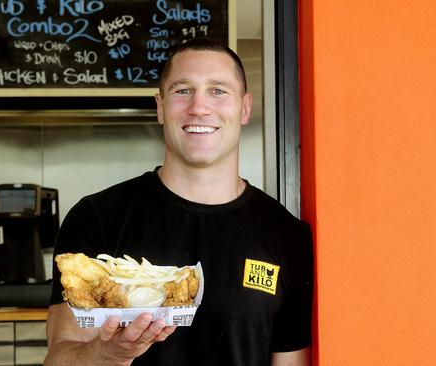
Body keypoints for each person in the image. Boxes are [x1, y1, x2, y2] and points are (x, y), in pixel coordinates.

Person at [44, 38, 314, 366]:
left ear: (244, 108)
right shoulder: (96, 217)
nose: (199, 107)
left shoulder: (287, 234)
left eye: (218, 90)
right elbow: (60, 357)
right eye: (183, 90)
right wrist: (108, 354)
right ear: (160, 106)